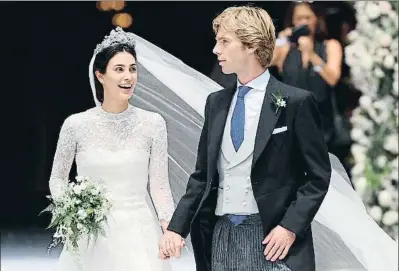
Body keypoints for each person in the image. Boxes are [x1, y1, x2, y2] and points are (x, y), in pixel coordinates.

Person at [157, 5, 398, 271]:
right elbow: (202, 176)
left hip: (274, 242)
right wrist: (176, 229)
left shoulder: (295, 103)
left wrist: (289, 228)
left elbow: (317, 177)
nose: (216, 50)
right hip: (221, 238)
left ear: (250, 45)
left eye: (224, 41)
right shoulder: (216, 102)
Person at [48, 27, 187, 271]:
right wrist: (72, 210)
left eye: (133, 69)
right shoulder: (75, 125)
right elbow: (58, 178)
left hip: (140, 233)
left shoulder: (153, 123)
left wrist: (170, 228)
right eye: (119, 69)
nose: (128, 77)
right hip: (92, 235)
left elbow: (159, 185)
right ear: (100, 75)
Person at [270, 2, 343, 152]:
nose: (303, 22)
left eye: (308, 17)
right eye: (298, 18)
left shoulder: (329, 45)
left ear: (317, 19)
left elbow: (333, 78)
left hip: (321, 124)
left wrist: (311, 55)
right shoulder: (286, 49)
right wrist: (281, 41)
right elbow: (263, 63)